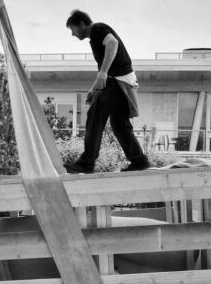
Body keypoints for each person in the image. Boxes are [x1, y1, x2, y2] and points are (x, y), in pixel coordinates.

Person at [64, 9, 150, 174]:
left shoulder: (97, 29)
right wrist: (94, 89)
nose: (73, 35)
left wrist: (102, 73)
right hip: (123, 82)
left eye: (72, 30)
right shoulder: (95, 37)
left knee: (95, 115)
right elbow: (107, 68)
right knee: (119, 125)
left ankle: (87, 163)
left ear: (81, 24)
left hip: (117, 81)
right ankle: (139, 161)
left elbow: (113, 43)